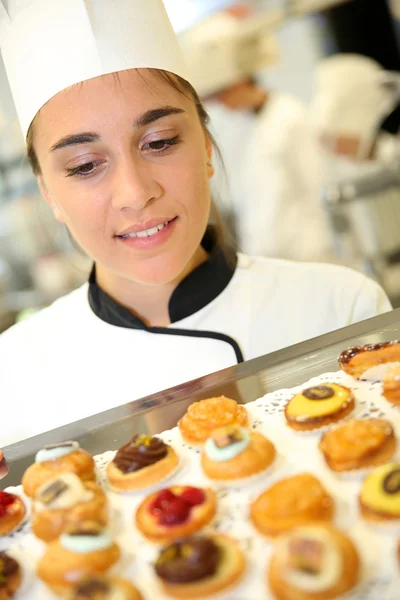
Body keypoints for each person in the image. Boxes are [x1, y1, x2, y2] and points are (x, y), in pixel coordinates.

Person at [0, 0, 392, 447]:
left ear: (206, 146)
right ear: (48, 191)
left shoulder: (342, 309)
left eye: (160, 141)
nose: (135, 193)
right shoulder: (11, 377)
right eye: (86, 165)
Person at [179, 9, 334, 262]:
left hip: (306, 252)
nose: (221, 103)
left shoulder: (290, 116)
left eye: (223, 94)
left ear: (241, 82)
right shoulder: (235, 125)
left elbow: (315, 188)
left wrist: (320, 251)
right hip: (261, 253)